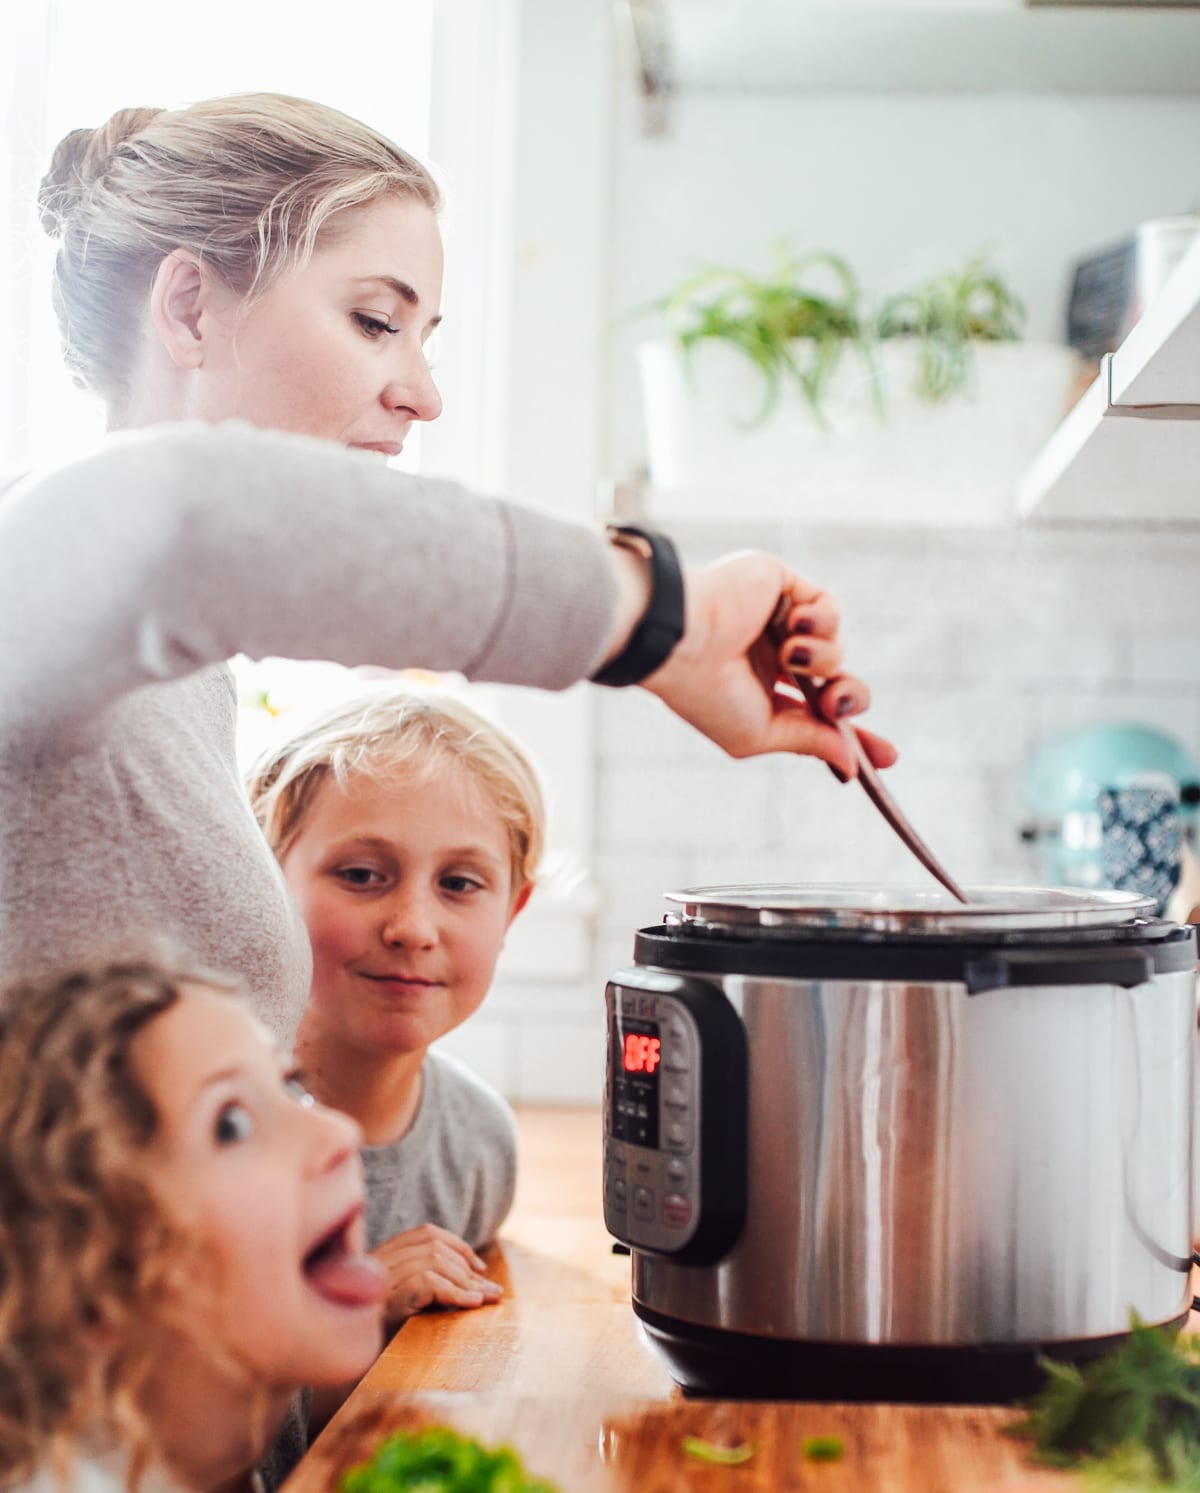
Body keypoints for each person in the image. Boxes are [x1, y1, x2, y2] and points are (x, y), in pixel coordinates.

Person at [0, 92, 895, 1045]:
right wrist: (663, 618)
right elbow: (193, 515)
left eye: (425, 339)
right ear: (189, 310)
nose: (422, 395)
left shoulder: (174, 677)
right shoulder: (32, 560)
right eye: (376, 321)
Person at [0, 960, 387, 1493]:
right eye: (235, 1123)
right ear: (94, 1279)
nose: (337, 1134)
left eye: (293, 1088)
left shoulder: (181, 1483)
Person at [248, 683, 542, 1324]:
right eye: (360, 875)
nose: (412, 927)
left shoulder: (479, 1146)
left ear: (512, 912)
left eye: (460, 884)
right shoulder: (213, 1139)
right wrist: (355, 1310)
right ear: (265, 884)